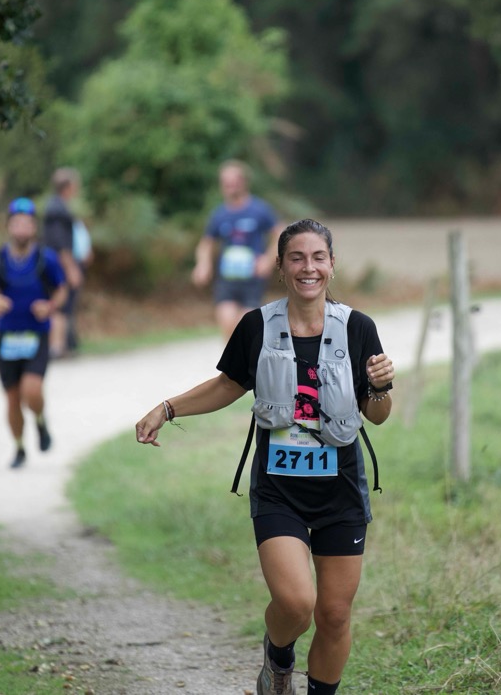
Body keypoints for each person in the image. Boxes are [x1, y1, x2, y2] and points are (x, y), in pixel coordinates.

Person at [137, 219, 396, 695]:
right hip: (279, 491)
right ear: (280, 267)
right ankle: (278, 656)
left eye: (318, 257)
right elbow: (227, 385)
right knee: (297, 604)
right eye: (296, 258)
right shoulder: (256, 325)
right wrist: (167, 409)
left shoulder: (359, 328)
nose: (308, 267)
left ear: (332, 265)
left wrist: (380, 387)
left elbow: (376, 415)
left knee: (334, 615)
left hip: (340, 491)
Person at [0, 197, 69, 468]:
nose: (22, 229)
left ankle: (40, 420)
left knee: (32, 390)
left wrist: (50, 307)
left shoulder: (45, 259)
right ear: (8, 227)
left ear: (34, 228)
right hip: (6, 338)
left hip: (36, 335)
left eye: (27, 223)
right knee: (13, 399)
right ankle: (19, 448)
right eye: (17, 223)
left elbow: (62, 290)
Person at [192, 160, 279, 339]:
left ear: (244, 182)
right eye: (226, 183)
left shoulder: (259, 209)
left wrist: (268, 259)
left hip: (252, 279)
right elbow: (206, 243)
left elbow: (280, 234)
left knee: (246, 326)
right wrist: (203, 264)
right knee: (228, 324)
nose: (230, 186)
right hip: (227, 279)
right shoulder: (219, 214)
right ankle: (233, 357)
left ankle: (247, 355)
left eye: (234, 182)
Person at [42, 168, 85, 358]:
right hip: (60, 265)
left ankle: (62, 345)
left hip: (58, 263)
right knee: (60, 305)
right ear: (68, 187)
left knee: (62, 305)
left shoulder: (55, 206)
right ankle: (57, 347)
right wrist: (71, 268)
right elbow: (60, 244)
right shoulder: (57, 210)